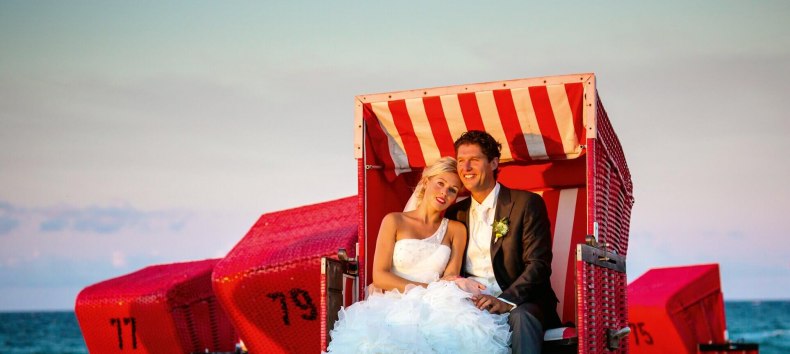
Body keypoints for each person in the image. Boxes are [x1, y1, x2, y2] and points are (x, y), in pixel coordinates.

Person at [325, 156, 511, 354]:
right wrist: (428, 290)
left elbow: (450, 276)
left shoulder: (456, 230)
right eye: (440, 183)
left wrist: (459, 283)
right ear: (425, 182)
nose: (444, 193)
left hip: (437, 306)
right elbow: (380, 275)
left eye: (453, 190)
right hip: (392, 303)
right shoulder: (394, 221)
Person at [445, 130, 562, 354]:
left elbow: (538, 264)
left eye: (474, 160)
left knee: (521, 316)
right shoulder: (455, 214)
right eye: (461, 161)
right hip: (470, 302)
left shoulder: (526, 203)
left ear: (493, 163)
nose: (466, 168)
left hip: (520, 302)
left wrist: (506, 301)